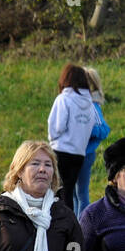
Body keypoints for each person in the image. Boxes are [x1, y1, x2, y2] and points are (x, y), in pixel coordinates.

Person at [47, 64, 96, 207]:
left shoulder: (63, 99)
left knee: (55, 191)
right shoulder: (89, 103)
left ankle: (54, 225)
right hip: (79, 154)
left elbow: (57, 126)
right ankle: (69, 224)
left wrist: (53, 139)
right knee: (68, 193)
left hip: (61, 151)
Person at [76, 68, 112, 216]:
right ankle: (72, 226)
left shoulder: (92, 105)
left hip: (85, 154)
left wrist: (86, 131)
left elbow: (103, 129)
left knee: (81, 193)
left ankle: (82, 227)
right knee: (71, 193)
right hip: (72, 154)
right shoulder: (73, 103)